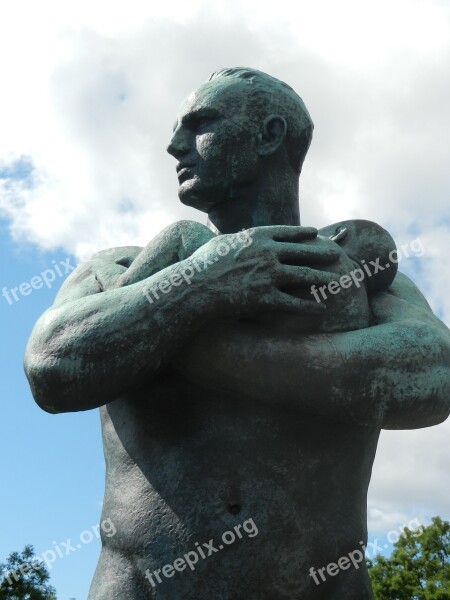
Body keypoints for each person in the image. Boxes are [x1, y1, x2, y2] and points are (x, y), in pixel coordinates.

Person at [24, 68, 450, 599]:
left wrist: (207, 346)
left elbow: (433, 377)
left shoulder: (355, 278)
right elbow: (53, 365)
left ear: (269, 134)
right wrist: (204, 282)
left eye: (200, 123)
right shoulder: (118, 268)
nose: (173, 144)